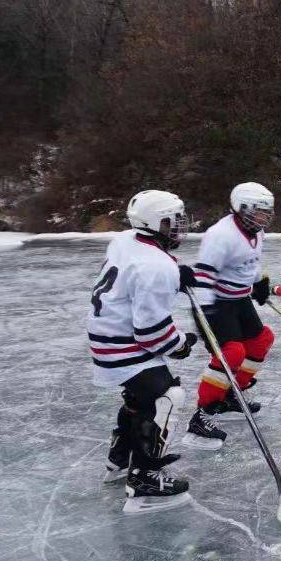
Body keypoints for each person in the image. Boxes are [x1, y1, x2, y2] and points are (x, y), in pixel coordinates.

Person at [88, 189, 199, 514]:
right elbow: (151, 332)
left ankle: (119, 460)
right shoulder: (155, 265)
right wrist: (181, 344)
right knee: (167, 395)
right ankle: (145, 478)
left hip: (105, 335)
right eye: (173, 221)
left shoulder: (125, 240)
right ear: (156, 223)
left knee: (141, 397)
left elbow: (132, 276)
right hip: (123, 344)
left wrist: (176, 273)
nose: (180, 226)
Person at [184, 182, 276, 450]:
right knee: (232, 353)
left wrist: (259, 282)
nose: (265, 217)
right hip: (215, 302)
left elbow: (251, 262)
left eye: (267, 212)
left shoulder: (256, 232)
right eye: (260, 212)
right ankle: (202, 414)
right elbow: (203, 276)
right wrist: (205, 314)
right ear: (242, 209)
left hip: (239, 299)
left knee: (261, 341)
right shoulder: (220, 235)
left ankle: (231, 393)